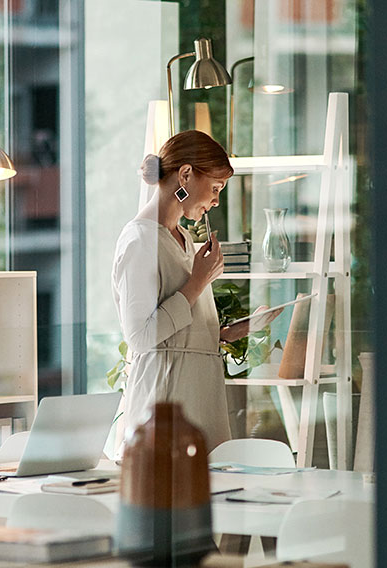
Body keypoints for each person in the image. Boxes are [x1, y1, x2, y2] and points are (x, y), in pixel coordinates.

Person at [112, 130, 279, 450]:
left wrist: (228, 332)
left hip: (199, 393)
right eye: (215, 188)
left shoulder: (184, 240)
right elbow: (141, 337)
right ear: (185, 175)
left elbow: (178, 326)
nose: (216, 200)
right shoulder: (139, 241)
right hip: (166, 401)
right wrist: (199, 282)